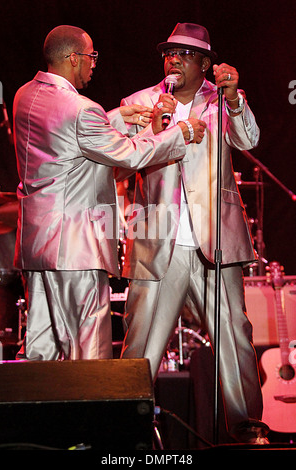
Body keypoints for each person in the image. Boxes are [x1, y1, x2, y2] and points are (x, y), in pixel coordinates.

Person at [13, 25, 201, 361]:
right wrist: (181, 133)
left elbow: (66, 141)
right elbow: (130, 155)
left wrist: (117, 119)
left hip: (37, 244)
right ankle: (94, 416)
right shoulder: (81, 109)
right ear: (73, 58)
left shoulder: (25, 95)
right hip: (74, 248)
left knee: (42, 352)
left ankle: (40, 414)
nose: (94, 63)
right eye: (91, 56)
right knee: (89, 353)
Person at [119, 23, 269, 444]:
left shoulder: (221, 101)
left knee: (233, 332)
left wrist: (236, 98)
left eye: (185, 54)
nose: (174, 60)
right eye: (169, 53)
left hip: (215, 238)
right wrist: (153, 125)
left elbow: (250, 139)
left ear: (205, 64)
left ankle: (244, 426)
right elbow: (121, 157)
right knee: (142, 338)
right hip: (157, 239)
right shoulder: (140, 102)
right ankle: (127, 426)